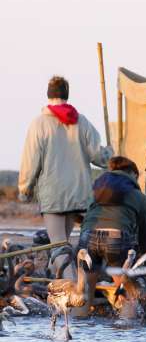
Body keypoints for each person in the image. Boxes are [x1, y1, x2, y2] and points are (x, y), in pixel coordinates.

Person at [18, 76, 112, 245]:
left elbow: (30, 161)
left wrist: (25, 190)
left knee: (58, 246)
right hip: (77, 194)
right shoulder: (82, 122)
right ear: (66, 94)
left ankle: (66, 264)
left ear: (48, 94)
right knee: (63, 244)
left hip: (53, 195)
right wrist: (109, 152)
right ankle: (63, 263)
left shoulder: (39, 124)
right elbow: (99, 157)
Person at [79, 156, 146, 270]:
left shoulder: (96, 190)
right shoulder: (139, 196)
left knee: (88, 280)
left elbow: (86, 215)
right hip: (115, 237)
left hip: (88, 234)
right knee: (121, 279)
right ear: (134, 174)